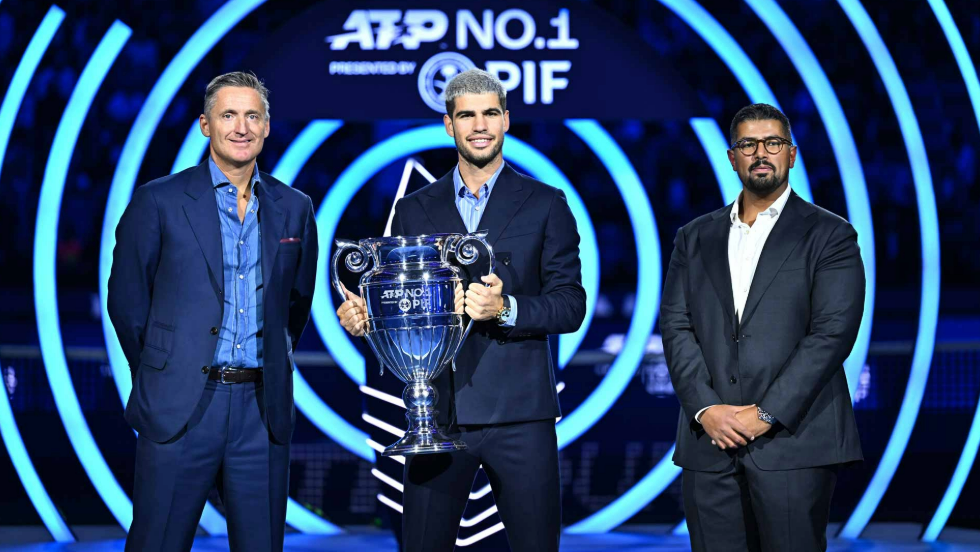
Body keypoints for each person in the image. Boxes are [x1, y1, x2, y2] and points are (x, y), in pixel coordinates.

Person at [336, 69, 586, 552]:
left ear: (507, 120)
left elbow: (570, 305)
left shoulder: (546, 203)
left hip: (520, 417)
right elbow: (402, 300)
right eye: (466, 115)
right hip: (437, 413)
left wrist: (505, 307)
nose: (480, 125)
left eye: (490, 113)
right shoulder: (413, 208)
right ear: (448, 125)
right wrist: (369, 319)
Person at [108, 71, 318, 552]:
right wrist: (163, 371)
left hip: (261, 412)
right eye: (228, 115)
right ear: (206, 125)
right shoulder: (158, 200)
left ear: (266, 127)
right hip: (181, 404)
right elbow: (126, 303)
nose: (240, 127)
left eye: (252, 116)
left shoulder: (295, 207)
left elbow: (296, 304)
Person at [661, 103, 865, 552]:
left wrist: (766, 413)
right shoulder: (694, 237)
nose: (761, 153)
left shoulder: (830, 235)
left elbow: (832, 335)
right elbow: (676, 328)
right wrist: (706, 409)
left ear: (791, 154)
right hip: (708, 443)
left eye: (772, 143)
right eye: (748, 144)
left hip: (795, 442)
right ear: (732, 157)